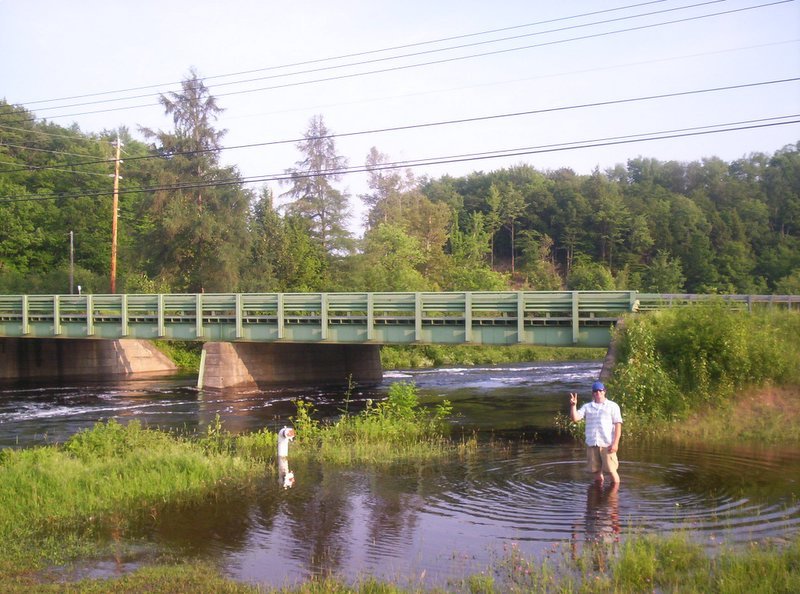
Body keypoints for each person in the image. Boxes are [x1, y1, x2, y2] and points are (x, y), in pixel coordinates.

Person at [569, 381, 623, 484]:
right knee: (596, 472)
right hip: (592, 443)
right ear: (593, 393)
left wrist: (615, 443)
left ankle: (615, 493)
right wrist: (573, 406)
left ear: (604, 391)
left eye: (600, 390)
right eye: (595, 391)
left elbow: (618, 425)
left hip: (607, 444)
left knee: (612, 471)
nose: (598, 393)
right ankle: (598, 492)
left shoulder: (613, 406)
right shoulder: (587, 407)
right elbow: (575, 418)